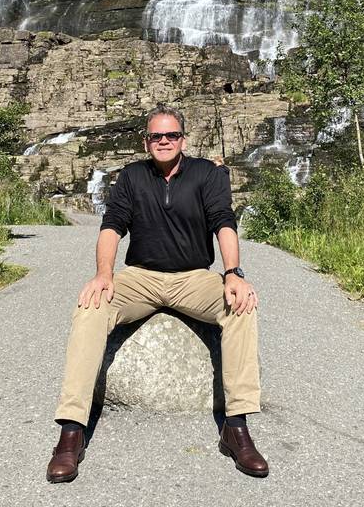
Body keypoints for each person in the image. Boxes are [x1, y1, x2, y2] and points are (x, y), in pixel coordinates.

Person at [46, 103, 268, 482]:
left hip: (194, 277)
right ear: (145, 140)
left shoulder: (208, 174)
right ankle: (70, 432)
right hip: (141, 277)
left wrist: (233, 273)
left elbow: (223, 222)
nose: (164, 141)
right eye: (156, 136)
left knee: (241, 306)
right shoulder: (131, 177)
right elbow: (112, 226)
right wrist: (103, 274)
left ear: (183, 138)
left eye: (172, 135)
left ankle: (236, 426)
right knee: (91, 306)